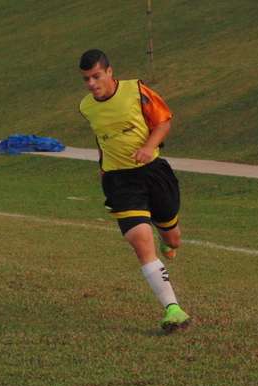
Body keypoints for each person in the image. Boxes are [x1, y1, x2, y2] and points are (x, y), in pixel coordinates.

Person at [78, 49, 190, 332]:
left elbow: (163, 121)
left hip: (153, 173)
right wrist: (103, 168)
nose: (91, 83)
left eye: (96, 76)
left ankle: (168, 241)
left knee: (173, 238)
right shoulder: (86, 107)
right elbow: (102, 138)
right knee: (140, 241)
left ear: (109, 72)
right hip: (120, 181)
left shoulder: (136, 91)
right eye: (86, 79)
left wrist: (149, 147)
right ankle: (173, 309)